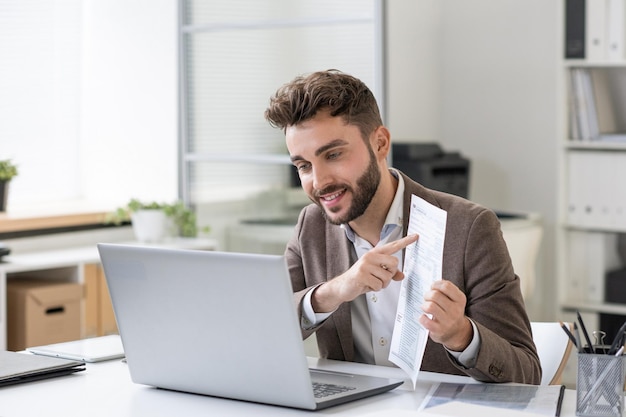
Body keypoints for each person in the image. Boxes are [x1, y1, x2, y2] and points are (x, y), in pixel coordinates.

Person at [264, 69, 540, 384]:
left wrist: (460, 334)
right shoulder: (311, 226)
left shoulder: (469, 227)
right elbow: (264, 328)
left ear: (380, 144)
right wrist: (335, 291)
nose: (319, 180)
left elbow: (526, 374)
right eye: (304, 166)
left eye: (334, 154)